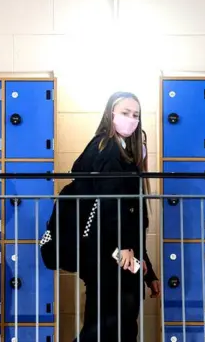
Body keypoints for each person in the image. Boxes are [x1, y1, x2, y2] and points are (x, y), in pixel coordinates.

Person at [71, 91, 146, 342]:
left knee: (115, 322)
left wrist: (148, 269)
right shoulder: (107, 147)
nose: (131, 119)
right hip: (107, 252)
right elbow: (111, 203)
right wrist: (124, 246)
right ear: (110, 114)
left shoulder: (122, 151)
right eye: (125, 113)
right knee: (107, 324)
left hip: (114, 252)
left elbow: (131, 215)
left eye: (135, 115)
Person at [141, 130, 160, 298]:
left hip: (129, 270)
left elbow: (137, 241)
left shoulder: (138, 190)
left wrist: (150, 276)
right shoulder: (120, 188)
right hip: (108, 272)